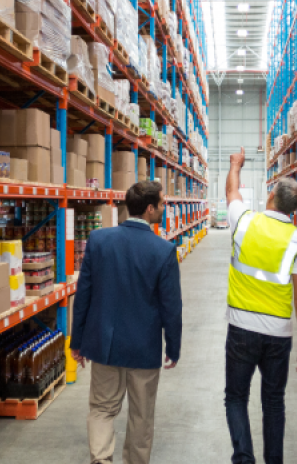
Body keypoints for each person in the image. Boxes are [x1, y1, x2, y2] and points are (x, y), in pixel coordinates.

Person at [70, 180, 182, 464]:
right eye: (162, 203)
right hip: (142, 350)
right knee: (141, 415)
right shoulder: (163, 251)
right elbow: (172, 307)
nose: (164, 207)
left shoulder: (99, 240)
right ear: (149, 209)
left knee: (102, 408)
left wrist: (77, 341)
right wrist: (173, 346)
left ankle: (101, 459)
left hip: (104, 346)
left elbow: (84, 294)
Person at [224, 147, 297, 464]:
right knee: (274, 400)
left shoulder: (245, 222)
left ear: (271, 198)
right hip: (278, 333)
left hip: (241, 329)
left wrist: (236, 165)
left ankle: (244, 458)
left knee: (236, 397)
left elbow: (232, 191)